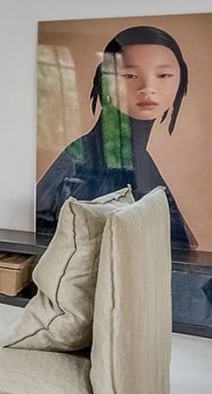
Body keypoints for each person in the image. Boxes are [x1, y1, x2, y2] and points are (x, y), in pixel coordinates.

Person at [36, 25, 198, 248]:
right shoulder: (89, 157)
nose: (148, 88)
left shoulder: (137, 155)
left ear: (181, 80)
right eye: (129, 75)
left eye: (163, 75)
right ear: (106, 80)